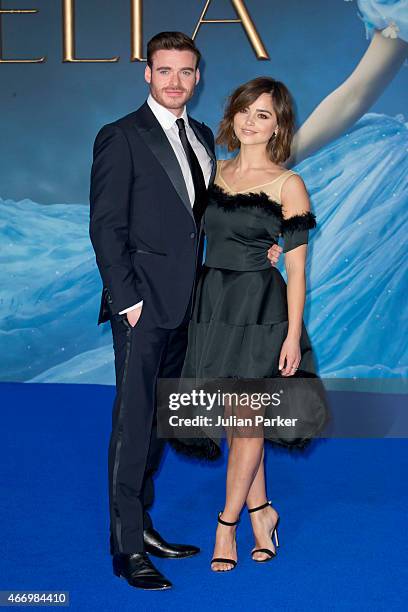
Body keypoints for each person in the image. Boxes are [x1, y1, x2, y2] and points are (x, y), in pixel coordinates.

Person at [89, 32, 281, 591]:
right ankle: (126, 548)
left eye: (186, 72)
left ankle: (142, 524)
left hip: (193, 306)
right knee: (132, 420)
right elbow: (105, 227)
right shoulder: (120, 137)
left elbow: (209, 220)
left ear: (198, 78)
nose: (175, 81)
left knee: (157, 420)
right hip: (142, 306)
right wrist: (127, 301)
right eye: (165, 70)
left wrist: (264, 245)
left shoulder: (200, 135)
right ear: (147, 74)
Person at [180, 77, 318, 571]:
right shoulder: (211, 174)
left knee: (247, 421)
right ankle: (263, 512)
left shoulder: (288, 183)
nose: (251, 121)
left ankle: (226, 526)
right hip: (213, 307)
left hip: (261, 310)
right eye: (245, 110)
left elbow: (298, 270)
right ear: (232, 116)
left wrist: (291, 336)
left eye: (263, 114)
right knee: (241, 424)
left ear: (278, 125)